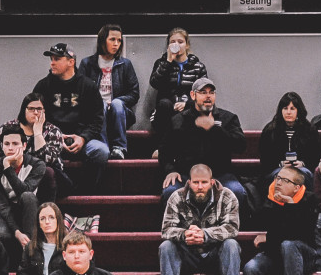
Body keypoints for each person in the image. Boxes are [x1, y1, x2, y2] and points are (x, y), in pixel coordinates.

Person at [243, 166, 321, 275]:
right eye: (277, 178)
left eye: (284, 180)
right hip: (276, 252)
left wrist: (289, 206)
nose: (278, 182)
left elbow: (300, 233)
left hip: (304, 254)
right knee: (251, 267)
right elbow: (265, 223)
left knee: (288, 244)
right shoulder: (272, 199)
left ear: (296, 188)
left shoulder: (310, 200)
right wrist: (277, 205)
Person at [159, 163, 242, 275]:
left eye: (204, 182)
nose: (200, 186)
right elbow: (166, 230)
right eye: (196, 182)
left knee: (232, 244)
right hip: (187, 254)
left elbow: (232, 228)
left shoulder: (227, 196)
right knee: (166, 246)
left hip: (215, 254)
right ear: (189, 182)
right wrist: (184, 235)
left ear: (212, 182)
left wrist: (205, 235)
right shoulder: (176, 197)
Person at [159, 78, 246, 203]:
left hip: (220, 174)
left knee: (237, 192)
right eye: (203, 92)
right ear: (193, 95)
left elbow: (240, 146)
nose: (208, 96)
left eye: (211, 92)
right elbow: (165, 151)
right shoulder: (179, 120)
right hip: (187, 174)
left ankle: (232, 223)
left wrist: (214, 129)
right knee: (170, 193)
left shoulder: (228, 118)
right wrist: (171, 170)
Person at [36, 43, 109, 191]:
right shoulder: (43, 86)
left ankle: (86, 192)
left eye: (57, 59)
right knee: (42, 155)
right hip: (53, 139)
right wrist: (56, 137)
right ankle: (64, 191)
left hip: (81, 138)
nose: (52, 62)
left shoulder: (88, 86)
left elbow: (97, 120)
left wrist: (83, 138)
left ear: (71, 62)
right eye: (51, 59)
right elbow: (35, 117)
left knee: (101, 151)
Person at [0, 123, 54, 252]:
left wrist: (8, 169)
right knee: (3, 237)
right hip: (1, 211)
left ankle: (30, 252)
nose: (10, 148)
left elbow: (25, 192)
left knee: (28, 196)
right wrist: (17, 232)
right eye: (6, 144)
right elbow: (2, 205)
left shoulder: (37, 165)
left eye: (15, 143)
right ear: (1, 146)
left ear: (24, 146)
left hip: (27, 208)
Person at [79, 24, 140, 160]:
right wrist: (98, 102)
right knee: (100, 105)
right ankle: (103, 147)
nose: (116, 44)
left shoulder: (125, 64)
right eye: (112, 39)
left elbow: (134, 93)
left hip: (118, 112)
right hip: (95, 113)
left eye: (119, 41)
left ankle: (119, 148)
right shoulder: (87, 63)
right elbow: (79, 92)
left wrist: (115, 101)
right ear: (102, 41)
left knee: (117, 104)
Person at [0, 93, 66, 195]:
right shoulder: (8, 127)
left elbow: (48, 162)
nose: (35, 112)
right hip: (12, 172)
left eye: (39, 109)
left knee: (48, 171)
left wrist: (38, 133)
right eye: (31, 109)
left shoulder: (53, 131)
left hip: (42, 178)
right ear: (24, 110)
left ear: (44, 111)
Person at [148, 28, 208, 149]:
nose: (176, 45)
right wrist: (168, 61)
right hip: (166, 109)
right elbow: (155, 83)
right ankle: (163, 148)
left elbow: (204, 94)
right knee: (164, 104)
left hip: (190, 109)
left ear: (187, 45)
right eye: (173, 42)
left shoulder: (198, 66)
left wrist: (187, 104)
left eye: (180, 42)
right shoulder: (161, 63)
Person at [259, 92, 321, 179]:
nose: (288, 112)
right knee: (280, 174)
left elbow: (315, 155)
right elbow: (265, 158)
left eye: (292, 109)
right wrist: (280, 164)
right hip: (276, 169)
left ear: (298, 111)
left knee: (304, 174)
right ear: (281, 110)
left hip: (301, 168)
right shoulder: (271, 130)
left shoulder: (309, 130)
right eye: (285, 108)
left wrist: (303, 163)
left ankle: (305, 193)